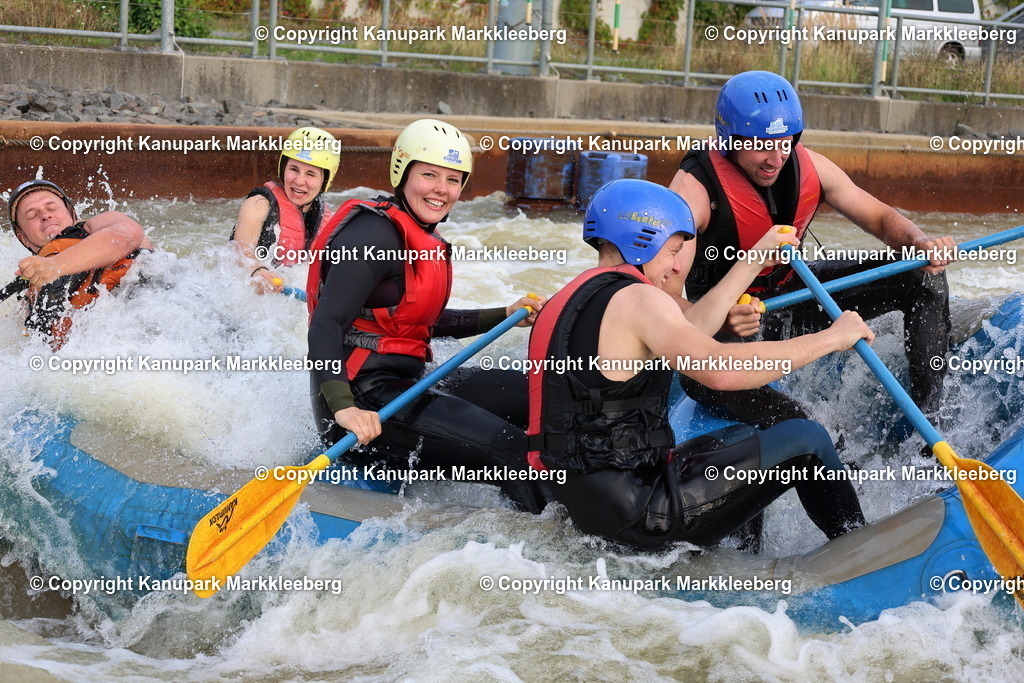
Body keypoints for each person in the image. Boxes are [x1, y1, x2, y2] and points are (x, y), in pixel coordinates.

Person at [525, 179, 870, 550]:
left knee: (737, 437)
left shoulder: (569, 297)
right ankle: (861, 552)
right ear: (642, 239)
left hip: (578, 507)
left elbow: (688, 332)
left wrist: (754, 259)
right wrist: (831, 339)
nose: (675, 267)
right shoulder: (639, 297)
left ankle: (741, 556)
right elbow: (720, 370)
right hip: (638, 515)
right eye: (672, 251)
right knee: (808, 438)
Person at [669, 70, 955, 427]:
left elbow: (881, 219)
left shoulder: (811, 166)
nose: (775, 159)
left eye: (784, 143)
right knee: (705, 379)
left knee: (920, 274)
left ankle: (931, 421)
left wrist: (920, 241)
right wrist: (719, 318)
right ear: (730, 139)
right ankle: (811, 432)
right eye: (761, 146)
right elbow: (656, 296)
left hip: (794, 297)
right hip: (730, 325)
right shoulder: (691, 194)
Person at [306, 118, 550, 512]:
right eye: (430, 175)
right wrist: (344, 408)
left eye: (453, 180)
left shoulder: (424, 235)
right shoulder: (371, 235)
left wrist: (503, 314)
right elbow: (325, 327)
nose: (442, 189)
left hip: (409, 382)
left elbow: (421, 322)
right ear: (402, 172)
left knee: (545, 395)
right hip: (362, 402)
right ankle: (550, 546)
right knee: (511, 452)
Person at [5, 179, 151, 347]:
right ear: (24, 239)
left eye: (52, 208)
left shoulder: (98, 225)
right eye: (32, 216)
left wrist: (55, 265)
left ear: (72, 215)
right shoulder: (28, 301)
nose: (45, 215)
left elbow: (127, 235)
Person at [230, 126, 340, 294]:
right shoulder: (257, 205)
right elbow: (240, 254)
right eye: (294, 169)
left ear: (325, 180)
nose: (299, 181)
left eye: (310, 174)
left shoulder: (328, 220)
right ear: (283, 168)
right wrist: (256, 270)